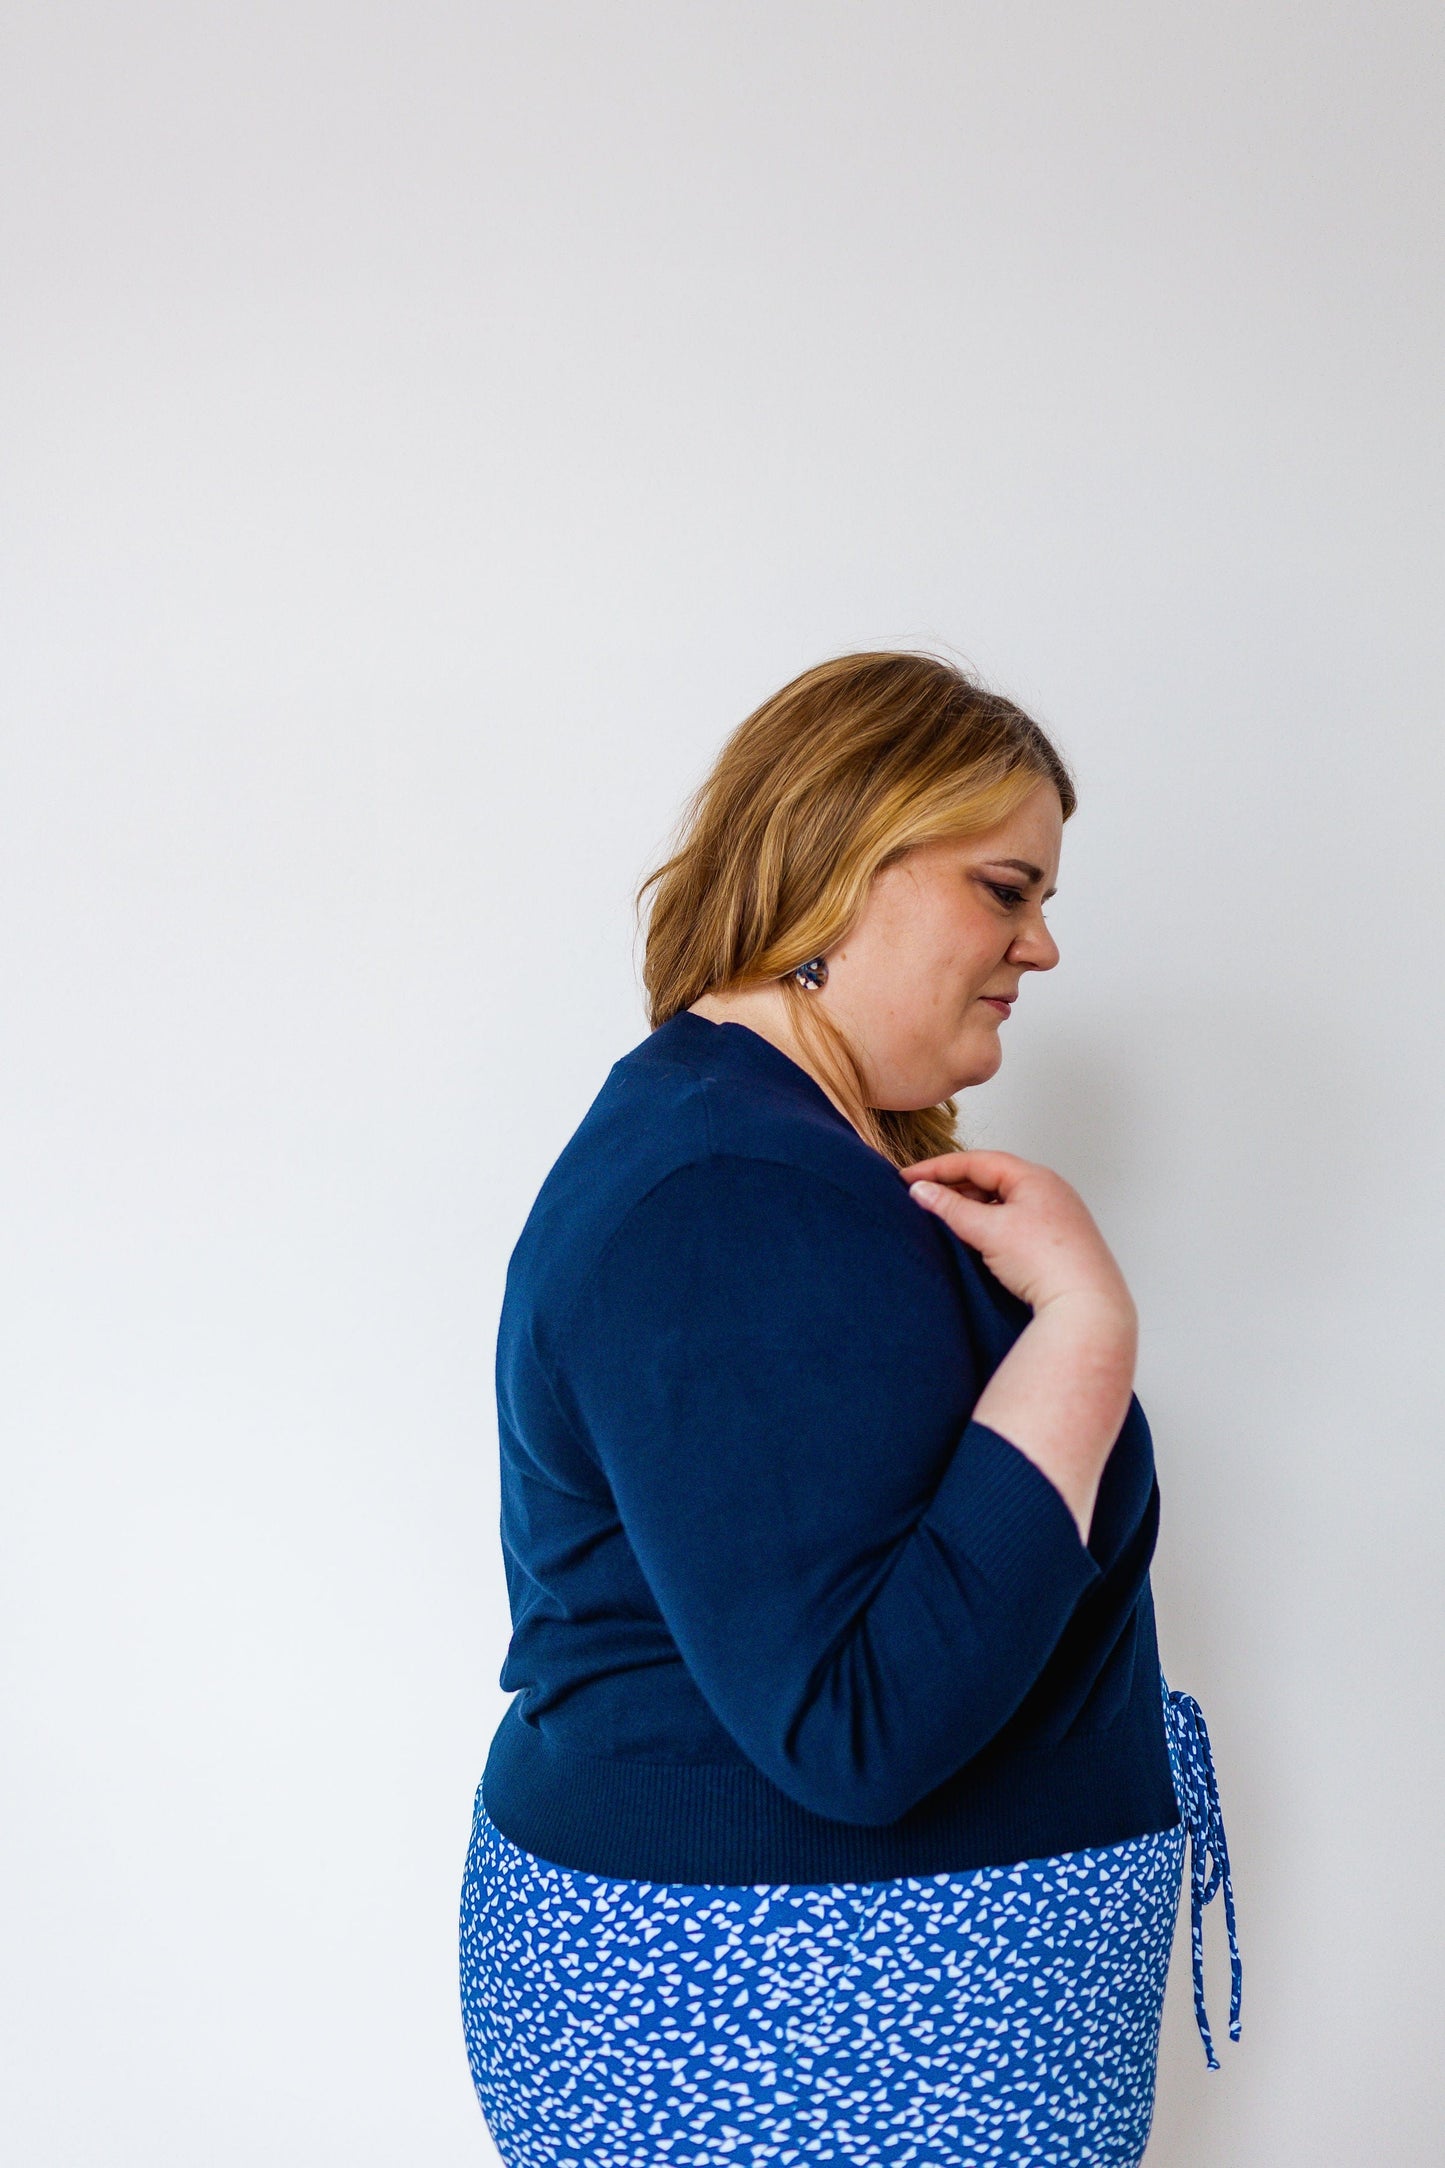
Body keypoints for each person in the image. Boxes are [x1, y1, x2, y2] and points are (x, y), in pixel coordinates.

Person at [459, 650, 1242, 2167]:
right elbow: (857, 1731)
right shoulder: (731, 1192)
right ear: (838, 869)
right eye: (1003, 888)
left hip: (820, 1988)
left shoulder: (747, 1147)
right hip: (799, 2013)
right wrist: (1082, 1330)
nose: (1042, 946)